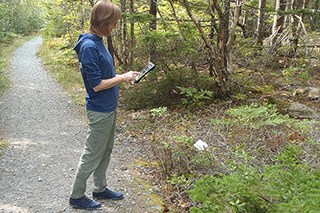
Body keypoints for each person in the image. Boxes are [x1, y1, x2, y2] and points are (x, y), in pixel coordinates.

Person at [69, 0, 139, 210]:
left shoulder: (98, 40)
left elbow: (105, 75)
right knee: (92, 154)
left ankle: (100, 188)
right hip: (100, 110)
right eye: (113, 23)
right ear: (103, 21)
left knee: (105, 150)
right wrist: (123, 77)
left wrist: (125, 77)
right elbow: (97, 85)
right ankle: (77, 196)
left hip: (108, 107)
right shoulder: (89, 46)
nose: (115, 27)